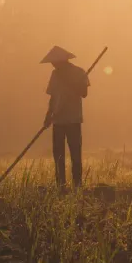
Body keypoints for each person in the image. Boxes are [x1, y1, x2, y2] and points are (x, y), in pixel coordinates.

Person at [41, 46, 90, 190]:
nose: (53, 64)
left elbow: (84, 93)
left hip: (73, 119)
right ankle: (60, 185)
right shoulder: (55, 75)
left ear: (62, 60)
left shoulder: (79, 72)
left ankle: (77, 185)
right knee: (58, 154)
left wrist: (73, 86)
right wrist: (48, 115)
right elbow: (53, 97)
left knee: (75, 153)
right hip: (58, 119)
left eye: (55, 62)